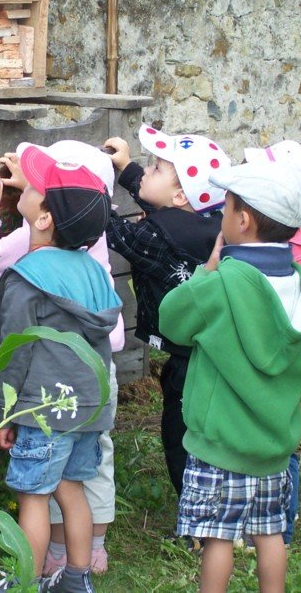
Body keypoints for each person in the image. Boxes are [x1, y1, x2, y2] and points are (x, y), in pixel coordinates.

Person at [159, 162, 301, 593]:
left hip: (220, 447)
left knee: (218, 539)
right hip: (272, 447)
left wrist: (208, 269)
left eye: (226, 209)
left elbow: (172, 321)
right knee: (270, 534)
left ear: (243, 220)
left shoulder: (222, 285)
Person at [0, 140, 123, 576]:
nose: (28, 186)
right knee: (72, 489)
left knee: (34, 498)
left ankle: (26, 583)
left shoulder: (27, 277)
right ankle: (76, 579)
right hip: (89, 410)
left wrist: (5, 414)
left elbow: (13, 352)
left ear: (43, 217)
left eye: (38, 187)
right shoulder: (94, 270)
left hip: (44, 410)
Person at [103, 125, 230, 506]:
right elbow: (155, 197)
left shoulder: (158, 236)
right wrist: (126, 167)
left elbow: (108, 227)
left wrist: (67, 184)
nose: (147, 171)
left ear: (178, 195)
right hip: (210, 350)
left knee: (180, 434)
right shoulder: (206, 220)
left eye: (156, 168)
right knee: (210, 430)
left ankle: (198, 516)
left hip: (189, 362)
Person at [243, 140, 301, 546]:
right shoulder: (258, 247)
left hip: (281, 367)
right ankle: (253, 517)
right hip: (255, 363)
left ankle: (281, 522)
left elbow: (298, 324)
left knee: (281, 441)